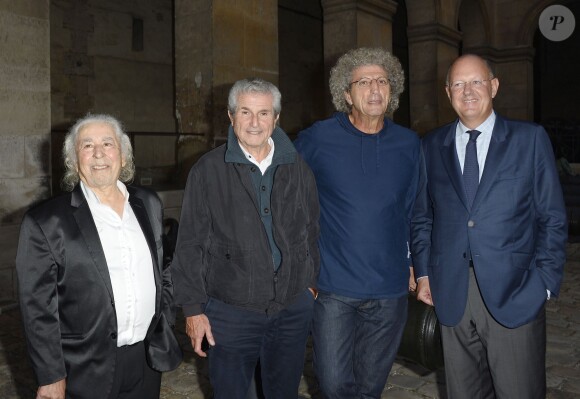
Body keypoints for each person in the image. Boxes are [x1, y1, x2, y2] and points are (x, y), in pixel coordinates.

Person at [411, 54, 567, 398]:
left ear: (494, 86)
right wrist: (423, 273)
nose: (468, 91)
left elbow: (552, 217)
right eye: (459, 84)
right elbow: (422, 216)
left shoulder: (529, 139)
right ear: (448, 91)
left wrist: (543, 283)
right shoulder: (431, 145)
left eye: (477, 81)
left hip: (516, 292)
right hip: (451, 292)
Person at [171, 78, 320, 399]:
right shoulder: (208, 170)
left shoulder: (297, 166)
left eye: (264, 113)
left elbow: (311, 227)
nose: (255, 123)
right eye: (245, 112)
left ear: (276, 118)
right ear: (230, 116)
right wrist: (193, 310)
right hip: (230, 312)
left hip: (291, 308)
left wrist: (309, 284)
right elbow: (190, 244)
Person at [16, 114, 182, 399]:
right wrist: (51, 375)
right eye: (87, 145)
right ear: (73, 160)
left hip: (145, 360)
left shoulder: (148, 203)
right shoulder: (45, 221)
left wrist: (163, 319)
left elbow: (163, 267)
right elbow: (37, 309)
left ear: (123, 154)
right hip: (84, 368)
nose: (99, 154)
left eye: (108, 143)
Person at [294, 47, 424, 398]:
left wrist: (416, 265)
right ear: (346, 93)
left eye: (382, 80)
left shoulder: (409, 144)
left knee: (370, 387)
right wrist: (300, 268)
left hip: (390, 290)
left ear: (392, 90)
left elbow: (416, 211)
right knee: (334, 384)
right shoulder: (316, 139)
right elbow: (288, 202)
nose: (375, 89)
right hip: (333, 288)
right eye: (363, 82)